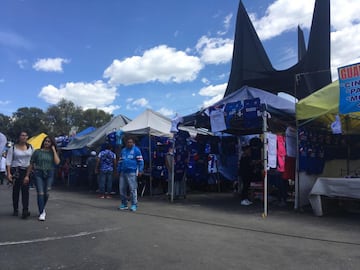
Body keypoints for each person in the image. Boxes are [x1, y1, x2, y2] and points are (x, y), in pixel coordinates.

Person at [26, 136, 60, 221]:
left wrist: (54, 150)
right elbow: (31, 164)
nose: (47, 143)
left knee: (47, 192)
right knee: (40, 193)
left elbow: (57, 162)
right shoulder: (37, 152)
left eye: (49, 141)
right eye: (45, 141)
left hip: (50, 173)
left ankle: (42, 207)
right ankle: (42, 212)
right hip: (39, 173)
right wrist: (27, 175)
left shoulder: (52, 153)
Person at [6, 131, 34, 219]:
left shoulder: (30, 148)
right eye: (22, 135)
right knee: (16, 191)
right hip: (16, 171)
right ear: (19, 137)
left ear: (27, 137)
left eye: (25, 135)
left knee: (25, 191)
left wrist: (28, 174)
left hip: (26, 170)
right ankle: (16, 209)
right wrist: (9, 173)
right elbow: (8, 161)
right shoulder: (13, 148)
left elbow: (32, 161)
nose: (24, 137)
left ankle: (25, 210)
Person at [118, 137, 144, 211]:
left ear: (133, 143)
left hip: (132, 172)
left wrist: (140, 170)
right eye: (128, 142)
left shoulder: (136, 150)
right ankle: (124, 203)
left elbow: (140, 161)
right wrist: (118, 169)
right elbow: (120, 161)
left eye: (130, 142)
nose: (129, 143)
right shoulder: (123, 150)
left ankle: (134, 204)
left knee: (132, 189)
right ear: (126, 143)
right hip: (123, 172)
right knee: (122, 189)